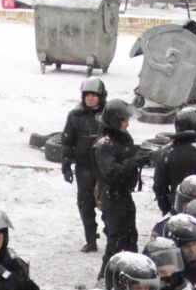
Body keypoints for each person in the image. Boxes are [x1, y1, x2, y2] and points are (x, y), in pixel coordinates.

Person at [93, 99, 149, 263]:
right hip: (111, 196)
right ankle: (106, 275)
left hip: (124, 195)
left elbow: (127, 155)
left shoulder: (122, 138)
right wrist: (134, 161)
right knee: (116, 240)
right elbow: (111, 173)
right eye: (124, 120)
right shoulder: (104, 144)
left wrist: (141, 155)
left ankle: (132, 267)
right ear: (115, 121)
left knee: (131, 237)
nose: (127, 124)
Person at [61, 78, 107, 252]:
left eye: (94, 95)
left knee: (107, 203)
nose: (90, 99)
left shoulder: (108, 114)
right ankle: (91, 238)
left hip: (104, 167)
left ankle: (111, 236)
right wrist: (66, 162)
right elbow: (67, 140)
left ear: (100, 97)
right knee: (85, 203)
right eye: (87, 95)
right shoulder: (75, 116)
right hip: (84, 167)